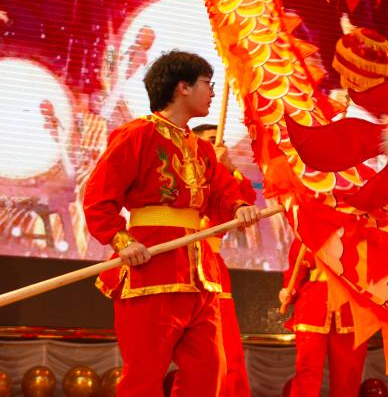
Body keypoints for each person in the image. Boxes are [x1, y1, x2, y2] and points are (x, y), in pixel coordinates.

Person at [83, 50, 260, 397]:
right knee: (143, 378)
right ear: (183, 87)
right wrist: (122, 241)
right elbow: (98, 198)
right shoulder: (137, 135)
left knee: (208, 374)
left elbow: (222, 194)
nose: (212, 92)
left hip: (200, 277)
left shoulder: (202, 149)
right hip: (152, 270)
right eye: (207, 83)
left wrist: (238, 207)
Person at [194, 123, 257, 397]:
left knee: (226, 345)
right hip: (175, 262)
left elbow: (246, 202)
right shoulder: (181, 171)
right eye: (210, 141)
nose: (217, 146)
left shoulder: (225, 176)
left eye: (219, 142)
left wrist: (227, 168)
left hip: (211, 266)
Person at [278, 239, 367, 397]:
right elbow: (296, 271)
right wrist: (289, 291)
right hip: (313, 306)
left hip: (350, 308)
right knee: (307, 372)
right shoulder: (306, 232)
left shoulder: (359, 230)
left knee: (347, 376)